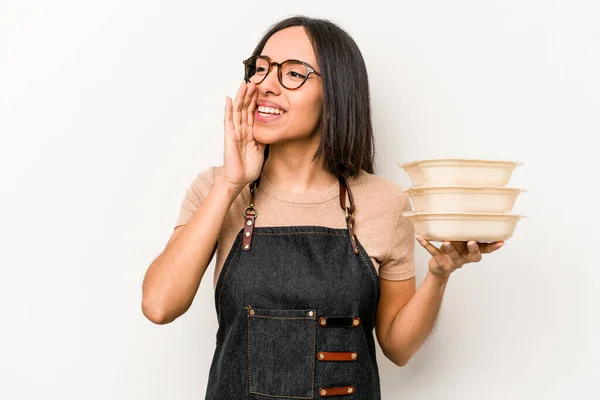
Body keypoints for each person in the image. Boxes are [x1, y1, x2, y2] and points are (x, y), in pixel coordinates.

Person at [141, 15, 504, 400]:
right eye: (260, 69)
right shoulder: (215, 190)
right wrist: (231, 183)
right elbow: (159, 305)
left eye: (293, 73)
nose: (266, 85)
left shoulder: (385, 202)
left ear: (335, 93)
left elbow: (398, 348)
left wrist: (439, 275)